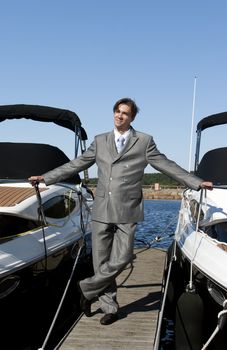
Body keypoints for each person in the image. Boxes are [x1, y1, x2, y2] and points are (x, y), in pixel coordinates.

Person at [29, 97, 213, 325]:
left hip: (128, 208)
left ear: (132, 117)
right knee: (101, 261)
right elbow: (76, 164)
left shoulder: (144, 142)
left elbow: (166, 165)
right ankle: (110, 308)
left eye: (125, 113)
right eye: (117, 111)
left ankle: (86, 288)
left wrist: (194, 182)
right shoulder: (100, 141)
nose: (120, 116)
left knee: (124, 257)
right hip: (102, 208)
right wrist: (46, 178)